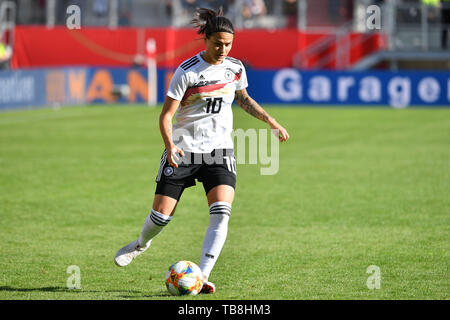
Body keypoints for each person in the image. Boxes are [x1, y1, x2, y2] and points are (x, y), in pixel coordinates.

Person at [114, 7, 289, 294]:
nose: (223, 49)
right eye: (217, 43)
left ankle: (202, 276)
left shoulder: (235, 69)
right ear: (205, 39)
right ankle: (140, 244)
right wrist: (170, 146)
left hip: (219, 151)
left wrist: (270, 121)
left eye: (228, 44)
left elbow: (243, 99)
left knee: (221, 213)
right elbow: (166, 116)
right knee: (161, 217)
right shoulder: (186, 72)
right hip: (183, 150)